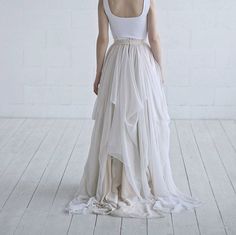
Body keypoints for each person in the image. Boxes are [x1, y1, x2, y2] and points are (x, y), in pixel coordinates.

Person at [65, 0, 203, 218]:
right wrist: (160, 69)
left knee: (115, 121)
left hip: (116, 62)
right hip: (142, 63)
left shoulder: (104, 1)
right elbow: (154, 38)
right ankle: (138, 178)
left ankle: (115, 181)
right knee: (143, 121)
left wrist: (98, 73)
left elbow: (103, 39)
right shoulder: (148, 1)